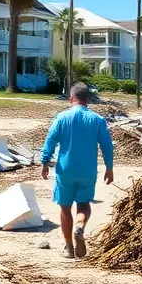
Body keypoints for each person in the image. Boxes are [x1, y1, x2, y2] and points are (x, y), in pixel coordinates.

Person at [41, 82, 115, 259]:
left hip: (65, 169)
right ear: (87, 100)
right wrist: (109, 168)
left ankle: (68, 247)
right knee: (83, 205)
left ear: (71, 99)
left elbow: (50, 140)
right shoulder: (97, 119)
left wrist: (44, 162)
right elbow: (107, 146)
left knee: (65, 208)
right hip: (87, 170)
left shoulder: (61, 117)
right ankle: (80, 226)